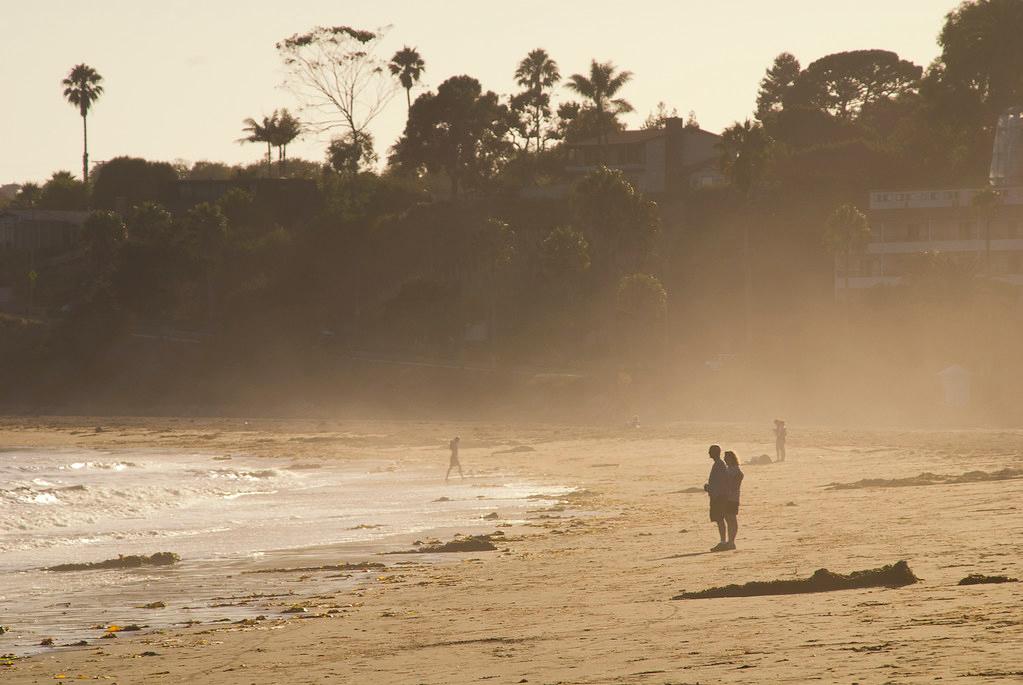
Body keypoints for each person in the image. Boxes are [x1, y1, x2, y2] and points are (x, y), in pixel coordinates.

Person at [703, 444, 729, 551]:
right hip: (717, 496)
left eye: (710, 451)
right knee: (720, 519)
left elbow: (720, 482)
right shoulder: (719, 464)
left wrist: (709, 488)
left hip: (719, 497)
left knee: (720, 519)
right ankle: (724, 541)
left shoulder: (719, 464)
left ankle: (723, 541)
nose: (709, 453)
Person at [722, 451, 744, 550]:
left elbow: (738, 479)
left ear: (731, 458)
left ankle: (732, 541)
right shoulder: (729, 469)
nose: (725, 459)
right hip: (728, 497)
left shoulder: (735, 470)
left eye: (726, 457)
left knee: (732, 519)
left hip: (732, 498)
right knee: (728, 518)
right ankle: (730, 541)